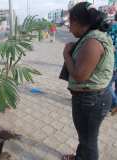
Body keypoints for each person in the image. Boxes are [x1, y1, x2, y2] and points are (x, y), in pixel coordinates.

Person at [62, 2, 114, 160]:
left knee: (89, 141)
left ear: (78, 22)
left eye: (70, 23)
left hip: (90, 101)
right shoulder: (90, 37)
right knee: (85, 137)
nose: (69, 28)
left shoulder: (92, 41)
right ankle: (80, 157)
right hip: (91, 98)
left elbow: (79, 75)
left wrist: (66, 55)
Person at [107, 12, 117, 116]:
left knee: (107, 85)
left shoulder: (111, 28)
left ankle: (114, 103)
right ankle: (112, 106)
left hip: (112, 63)